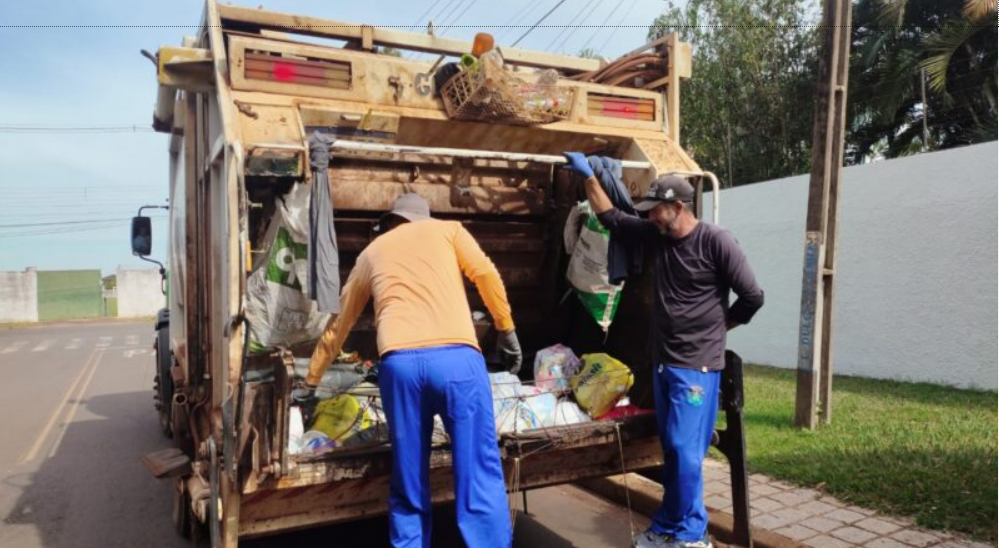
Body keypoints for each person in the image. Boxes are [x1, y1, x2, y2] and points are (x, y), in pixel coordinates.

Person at [562, 153, 765, 548]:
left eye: (656, 210)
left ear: (678, 207)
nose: (651, 216)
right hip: (663, 364)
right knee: (672, 450)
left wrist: (722, 325)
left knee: (687, 453)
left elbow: (753, 296)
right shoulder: (657, 237)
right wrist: (589, 177)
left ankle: (693, 535)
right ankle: (668, 526)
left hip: (697, 367)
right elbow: (612, 219)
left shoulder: (716, 241)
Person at [303, 193, 521, 548]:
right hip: (458, 363)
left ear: (391, 222)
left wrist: (312, 378)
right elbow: (485, 274)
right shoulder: (450, 230)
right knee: (478, 474)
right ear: (424, 218)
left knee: (409, 478)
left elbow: (340, 321)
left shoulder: (372, 251)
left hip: (400, 366)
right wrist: (506, 328)